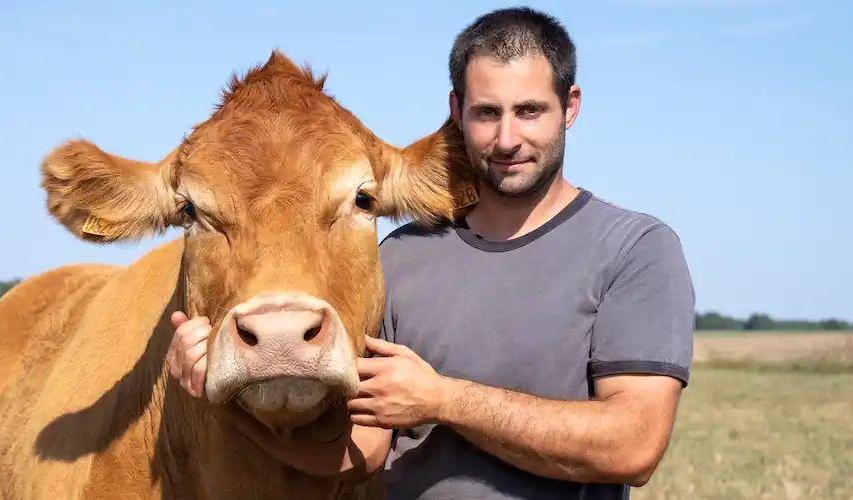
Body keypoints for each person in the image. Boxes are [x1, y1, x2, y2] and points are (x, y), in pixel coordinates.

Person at [166, 6, 695, 500]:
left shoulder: (635, 249)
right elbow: (363, 453)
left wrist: (443, 400)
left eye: (530, 111)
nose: (508, 138)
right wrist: (218, 392)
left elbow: (634, 446)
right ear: (456, 112)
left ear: (570, 108)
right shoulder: (396, 260)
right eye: (487, 113)